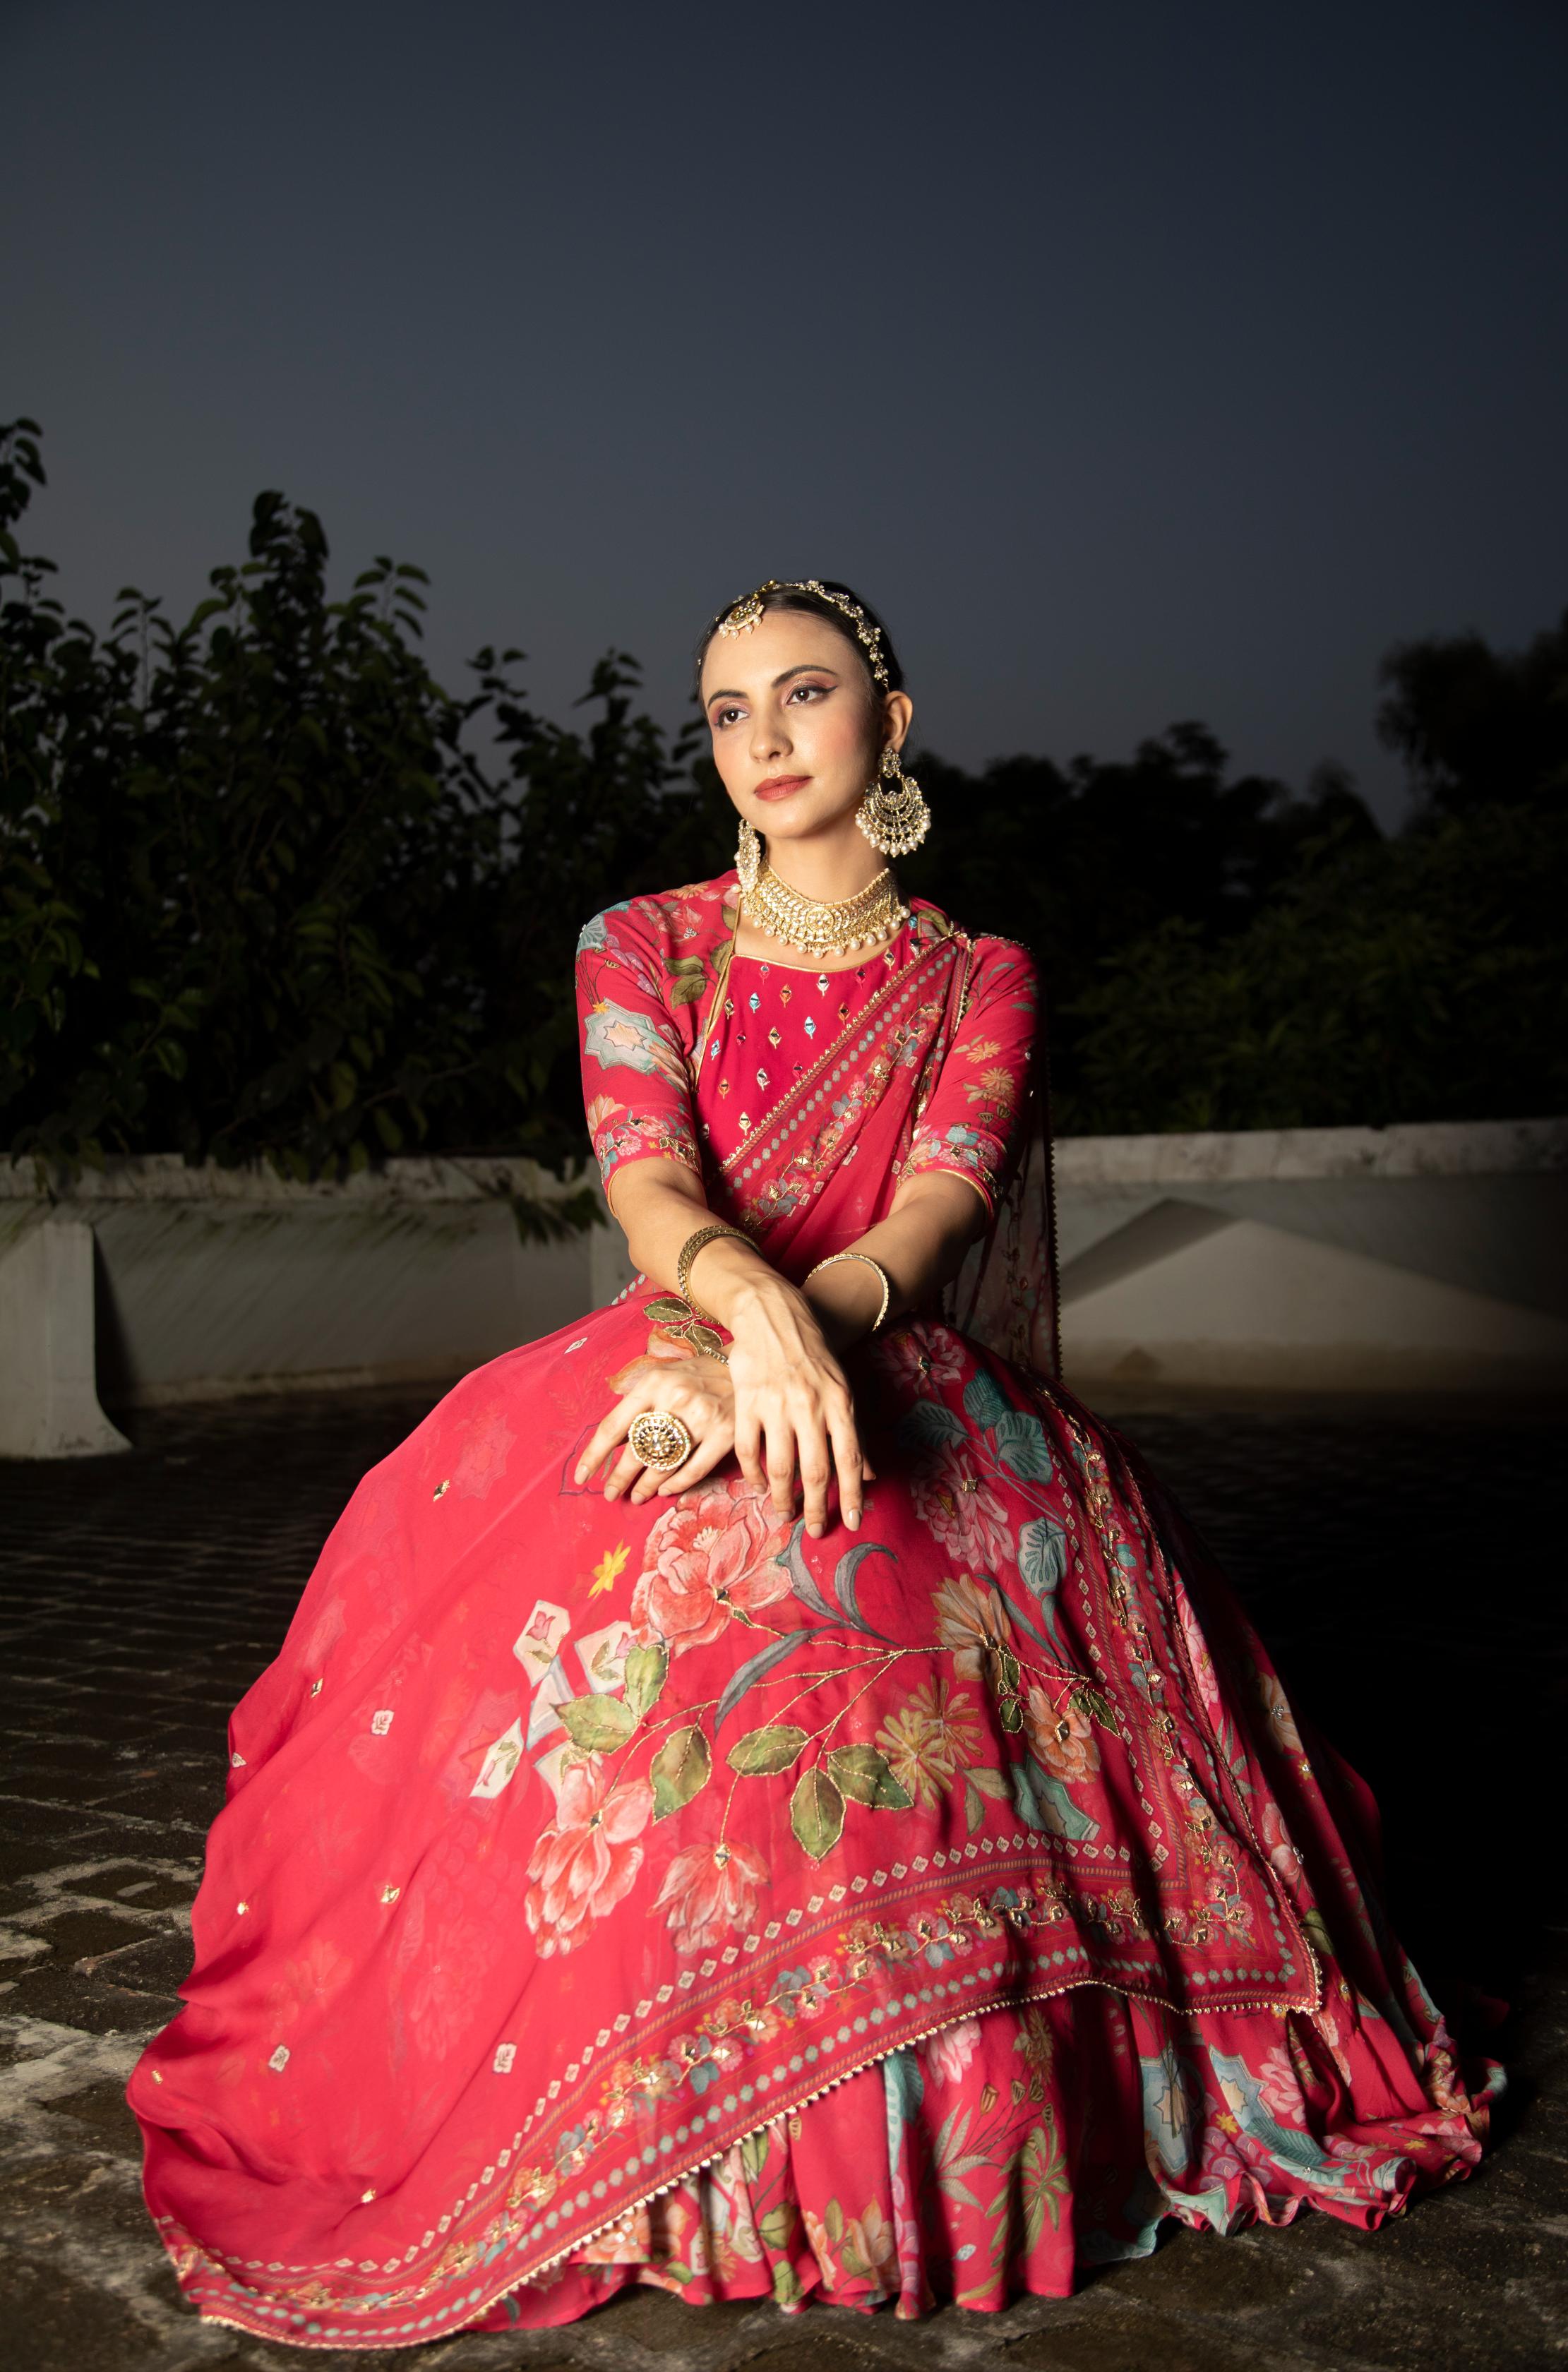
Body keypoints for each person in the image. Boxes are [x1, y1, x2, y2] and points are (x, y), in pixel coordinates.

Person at [128, 580, 1498, 2348]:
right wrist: (729, 1328)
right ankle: (661, 2144)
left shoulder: (977, 975)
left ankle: (925, 2149)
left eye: (805, 695)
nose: (764, 742)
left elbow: (938, 1208)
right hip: (681, 1334)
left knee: (912, 1643)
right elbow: (645, 1178)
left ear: (894, 723)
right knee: (620, 1625)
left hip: (890, 1351)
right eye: (726, 713)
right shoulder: (643, 940)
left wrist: (803, 1340)